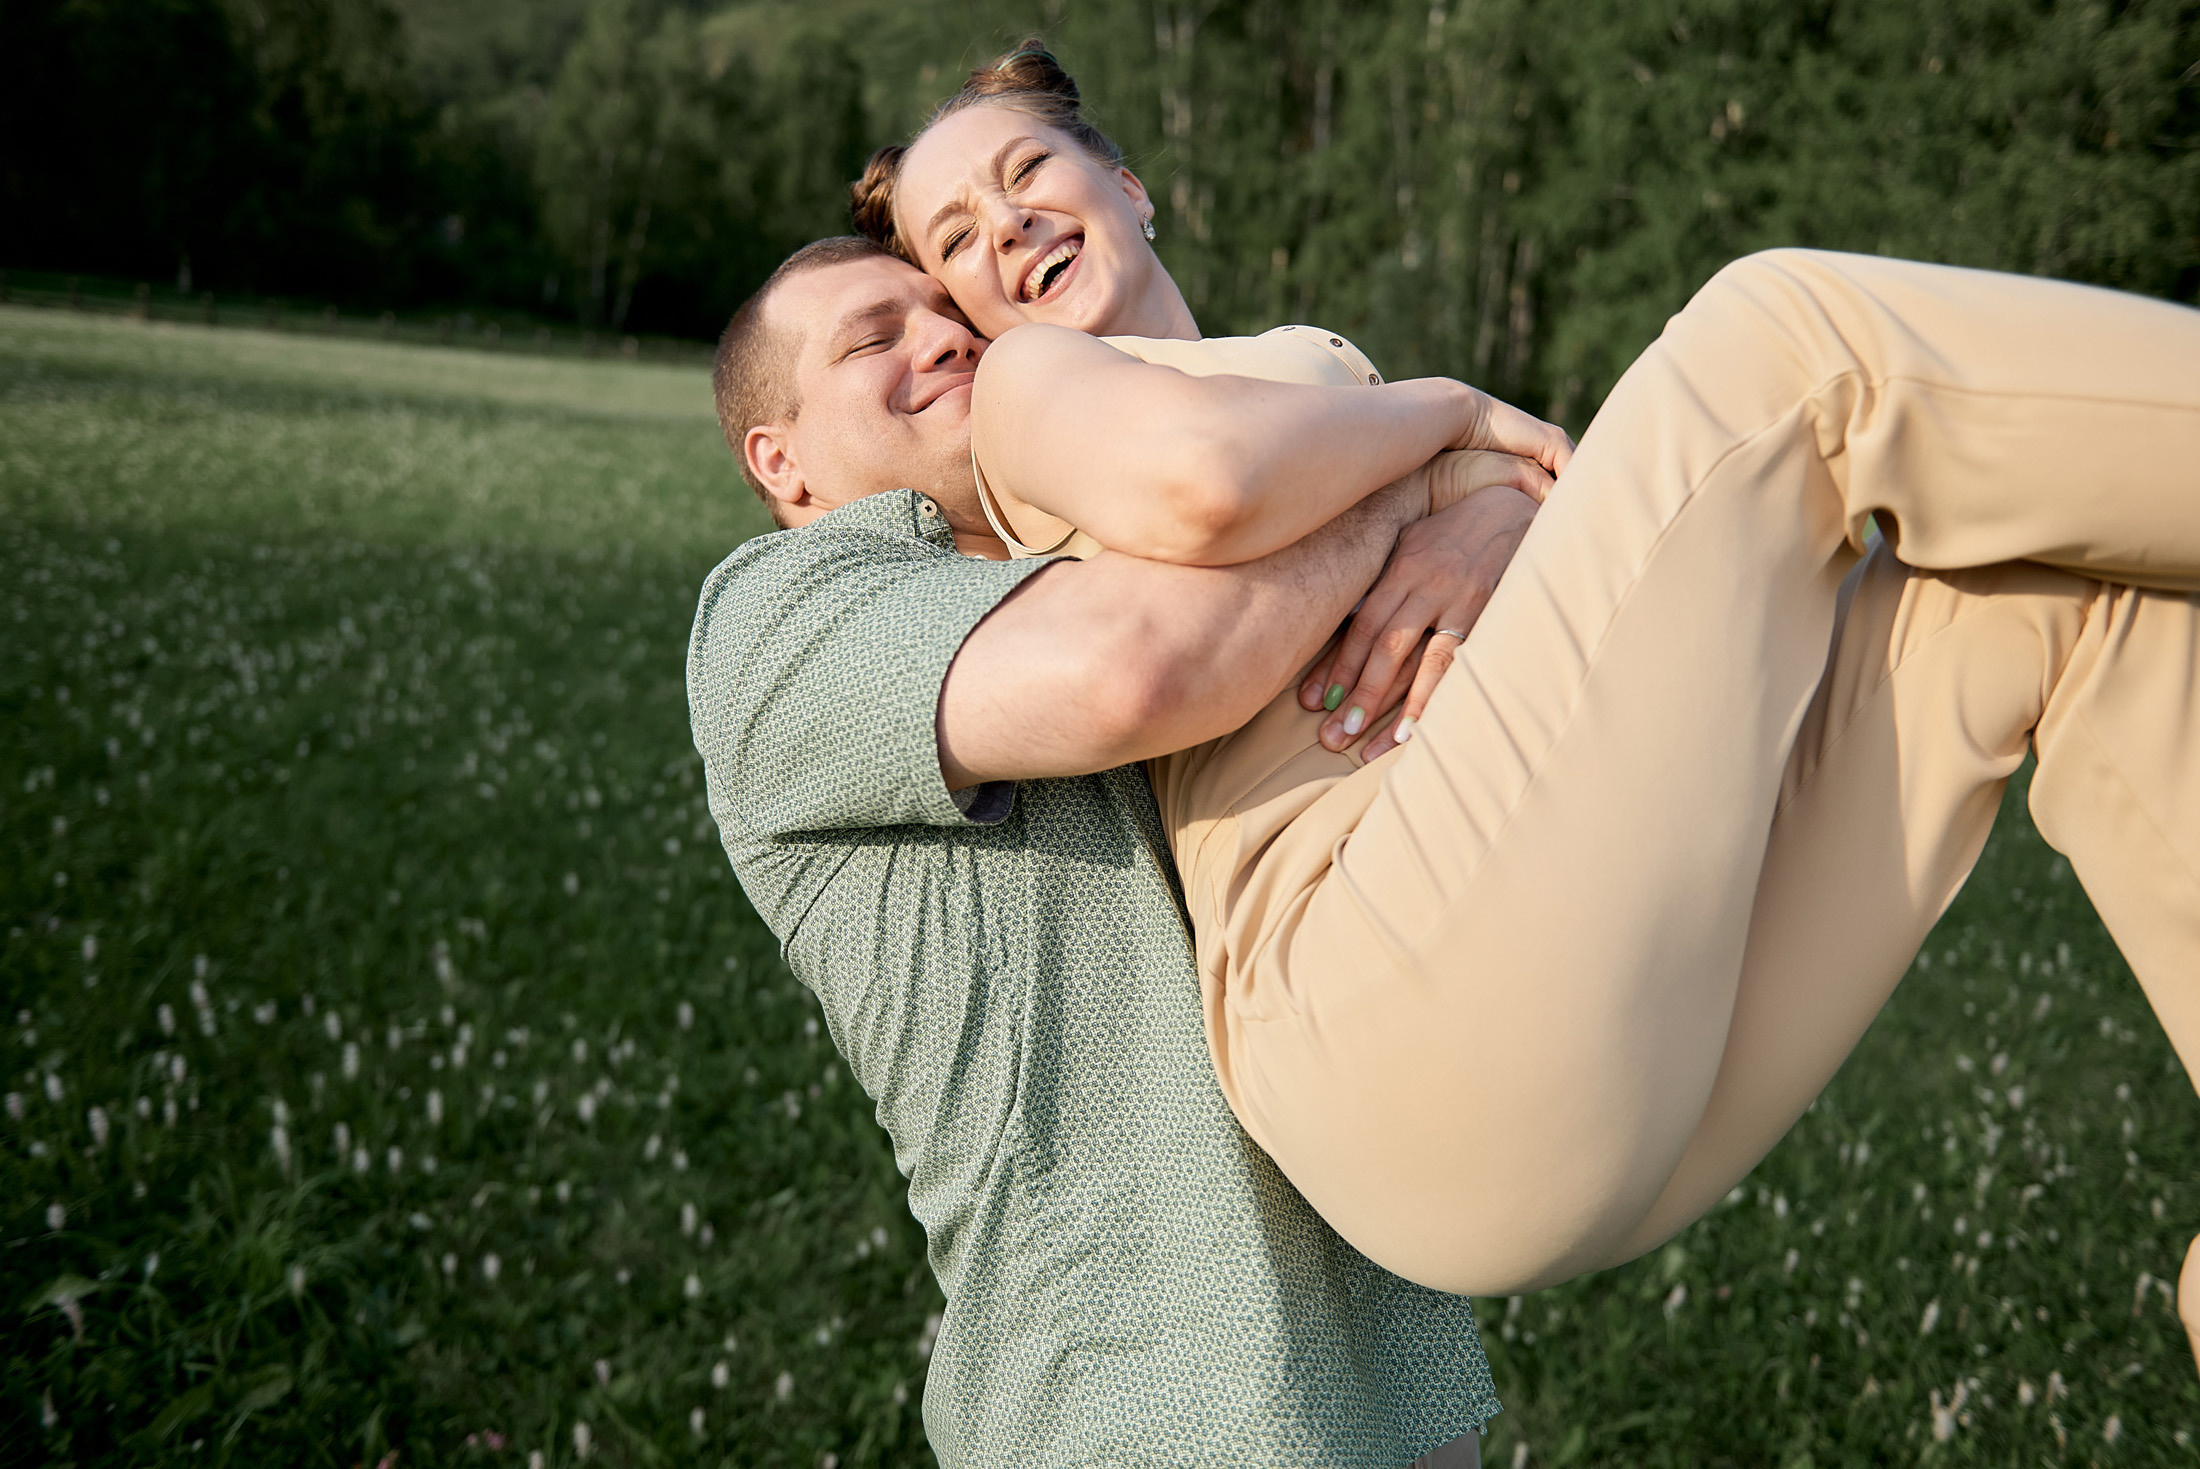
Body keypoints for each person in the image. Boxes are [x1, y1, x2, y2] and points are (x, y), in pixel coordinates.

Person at [849, 49, 2200, 1308]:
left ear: (1128, 188)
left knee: (2051, 608)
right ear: (959, 312)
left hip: (1590, 1038)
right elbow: (1207, 488)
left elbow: (1575, 580)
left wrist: (1503, 518)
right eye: (956, 237)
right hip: (1377, 1022)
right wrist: (1455, 418)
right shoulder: (1040, 389)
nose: (1006, 226)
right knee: (1784, 342)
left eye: (1026, 175)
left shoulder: (1303, 377)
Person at [689, 236, 1519, 1466]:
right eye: (874, 339)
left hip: (1396, 1357)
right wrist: (1428, 484)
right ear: (782, 461)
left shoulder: (1116, 547)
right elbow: (1142, 669)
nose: (944, 336)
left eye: (947, 312)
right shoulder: (770, 618)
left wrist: (1487, 517)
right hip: (1131, 1387)